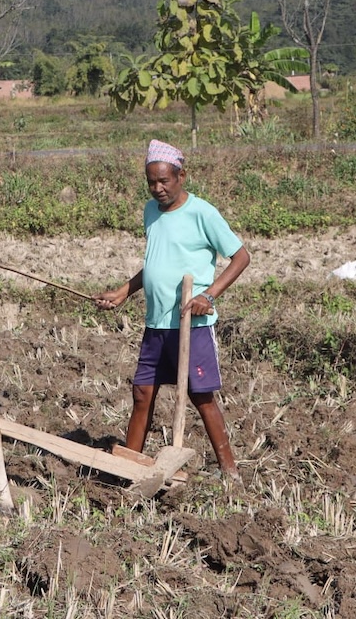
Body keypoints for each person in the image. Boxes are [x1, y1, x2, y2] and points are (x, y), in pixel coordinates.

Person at [95, 139, 251, 478]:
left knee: (201, 396)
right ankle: (128, 467)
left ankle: (230, 471)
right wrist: (125, 290)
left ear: (182, 176)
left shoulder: (202, 212)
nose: (158, 188)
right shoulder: (150, 212)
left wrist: (208, 296)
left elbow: (241, 257)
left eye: (164, 180)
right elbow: (155, 262)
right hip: (156, 323)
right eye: (151, 181)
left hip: (190, 325)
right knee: (142, 393)